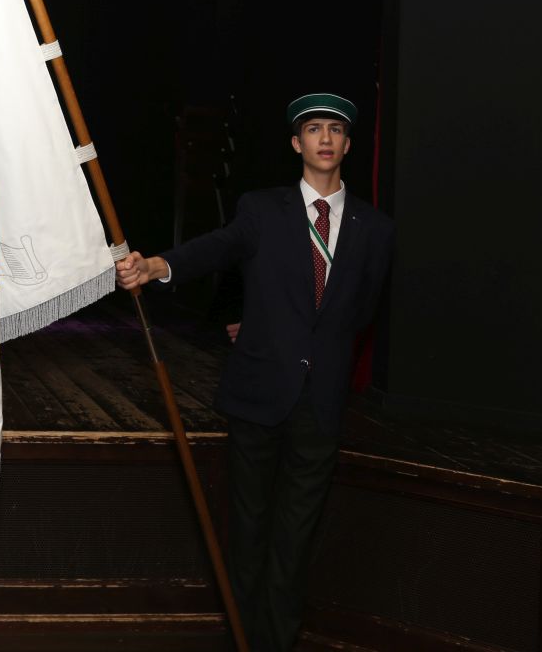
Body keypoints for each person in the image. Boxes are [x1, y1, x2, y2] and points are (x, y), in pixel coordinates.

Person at [115, 92, 394, 652]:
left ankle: (277, 641)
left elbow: (357, 313)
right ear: (296, 143)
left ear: (347, 145)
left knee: (296, 535)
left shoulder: (376, 228)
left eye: (335, 130)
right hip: (258, 394)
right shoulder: (263, 210)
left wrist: (281, 330)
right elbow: (218, 248)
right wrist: (159, 265)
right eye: (313, 129)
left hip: (321, 401)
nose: (324, 138)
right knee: (247, 528)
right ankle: (242, 637)